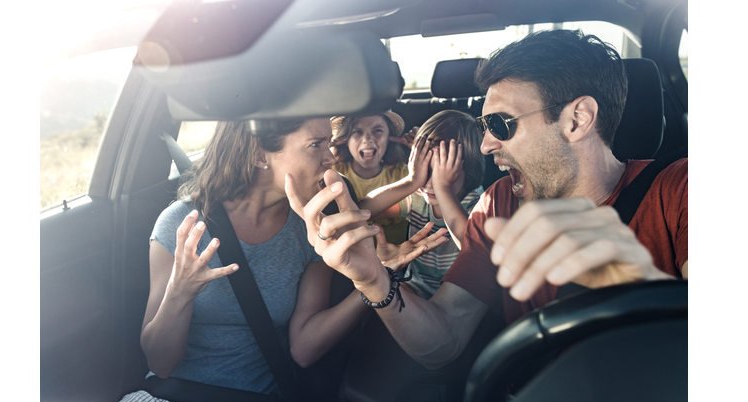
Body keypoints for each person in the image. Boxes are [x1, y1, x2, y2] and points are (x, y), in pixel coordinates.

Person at [285, 29, 688, 370]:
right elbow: (444, 338)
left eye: (500, 124)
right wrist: (373, 279)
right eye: (483, 125)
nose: (486, 144)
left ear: (577, 119)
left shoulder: (680, 192)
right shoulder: (500, 204)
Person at [98, 118, 428, 402]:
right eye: (315, 144)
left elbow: (303, 348)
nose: (330, 158)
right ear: (259, 154)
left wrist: (372, 281)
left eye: (329, 143)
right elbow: (161, 364)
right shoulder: (180, 224)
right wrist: (179, 293)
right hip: (161, 401)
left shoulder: (309, 233)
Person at [359, 110, 486, 299]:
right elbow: (363, 210)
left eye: (440, 173)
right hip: (416, 286)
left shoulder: (475, 203)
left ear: (469, 168)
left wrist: (443, 189)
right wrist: (411, 181)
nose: (428, 183)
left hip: (460, 291)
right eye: (423, 170)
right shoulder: (417, 197)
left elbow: (472, 248)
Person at [330, 111, 417, 245]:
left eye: (377, 130)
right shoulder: (333, 174)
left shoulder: (407, 174)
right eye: (357, 132)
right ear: (345, 140)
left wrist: (420, 148)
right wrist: (325, 145)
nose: (368, 139)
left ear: (389, 137)